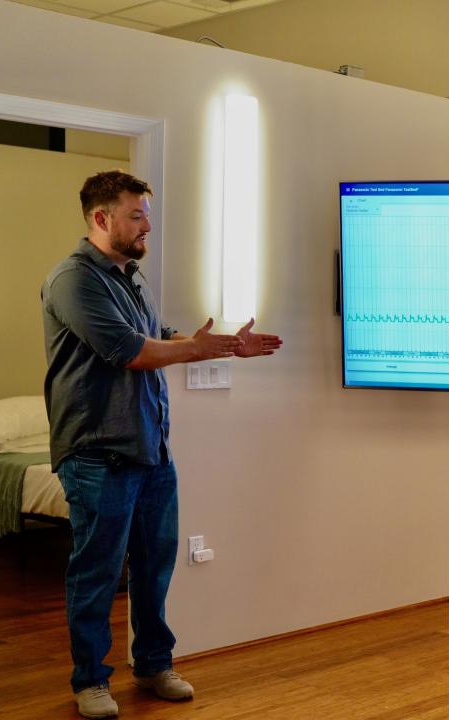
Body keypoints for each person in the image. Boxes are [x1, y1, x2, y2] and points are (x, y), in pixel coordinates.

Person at [41, 170, 282, 719]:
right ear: (101, 218)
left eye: (147, 215)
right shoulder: (73, 280)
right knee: (97, 573)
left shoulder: (133, 277)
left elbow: (162, 335)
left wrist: (224, 346)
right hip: (97, 455)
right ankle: (90, 680)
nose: (147, 226)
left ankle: (153, 665)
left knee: (154, 568)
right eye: (136, 216)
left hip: (152, 452)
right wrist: (195, 350)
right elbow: (131, 352)